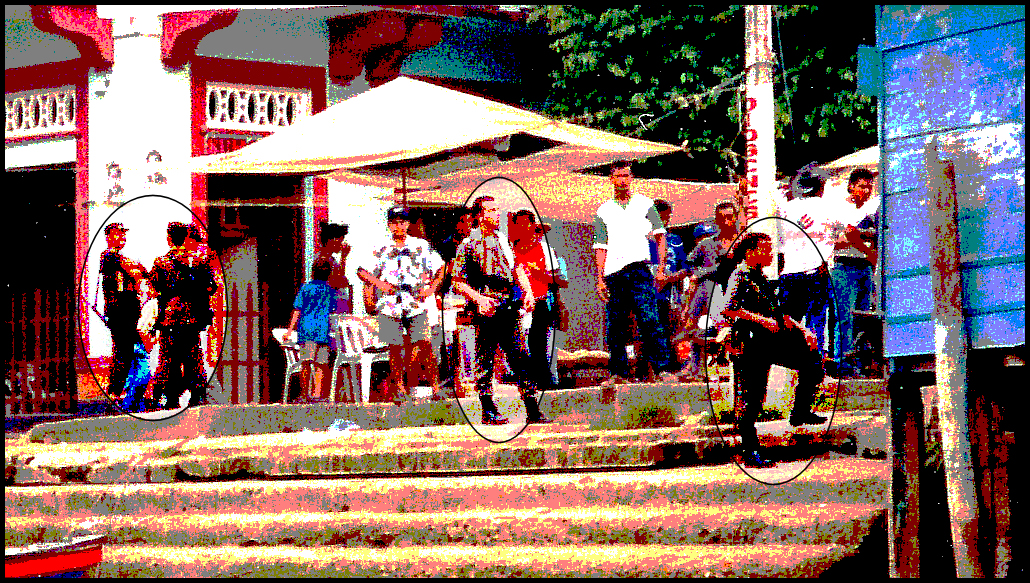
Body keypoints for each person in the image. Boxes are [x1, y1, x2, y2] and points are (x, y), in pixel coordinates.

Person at [722, 231, 827, 468]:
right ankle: (750, 451)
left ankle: (800, 412)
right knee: (751, 398)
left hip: (770, 340)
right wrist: (762, 320)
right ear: (750, 252)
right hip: (748, 342)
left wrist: (802, 330)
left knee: (813, 362)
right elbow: (729, 309)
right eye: (765, 250)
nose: (771, 254)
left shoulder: (761, 277)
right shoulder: (739, 276)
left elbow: (778, 311)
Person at [451, 196, 538, 425]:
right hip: (485, 305)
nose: (496, 214)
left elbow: (516, 268)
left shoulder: (502, 240)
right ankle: (487, 409)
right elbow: (457, 281)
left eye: (497, 210)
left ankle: (532, 407)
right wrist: (478, 298)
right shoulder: (468, 243)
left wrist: (527, 292)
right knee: (485, 358)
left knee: (520, 355)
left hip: (508, 303)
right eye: (491, 211)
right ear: (480, 215)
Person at [593, 160, 678, 386]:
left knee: (650, 319)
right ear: (611, 179)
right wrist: (600, 278)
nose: (622, 180)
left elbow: (661, 237)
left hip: (639, 269)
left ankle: (663, 368)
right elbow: (600, 245)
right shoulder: (603, 210)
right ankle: (618, 373)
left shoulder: (645, 204)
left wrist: (660, 269)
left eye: (626, 176)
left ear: (631, 178)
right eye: (618, 176)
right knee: (616, 326)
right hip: (614, 273)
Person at [357, 207, 443, 404]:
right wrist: (380, 284)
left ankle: (435, 387)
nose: (399, 226)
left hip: (415, 302)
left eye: (402, 222)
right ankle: (400, 389)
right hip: (390, 303)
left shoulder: (420, 245)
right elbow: (362, 271)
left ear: (408, 224)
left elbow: (441, 267)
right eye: (395, 222)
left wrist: (431, 290)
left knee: (424, 343)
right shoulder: (380, 247)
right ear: (389, 224)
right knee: (395, 347)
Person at [779, 165, 836, 364]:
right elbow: (846, 229)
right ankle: (813, 361)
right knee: (816, 318)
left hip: (790, 271)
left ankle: (786, 361)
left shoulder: (788, 207)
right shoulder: (827, 207)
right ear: (820, 185)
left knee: (789, 319)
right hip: (816, 270)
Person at [677, 202, 741, 379]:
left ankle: (730, 367)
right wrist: (696, 275)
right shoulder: (707, 244)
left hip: (732, 290)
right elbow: (688, 263)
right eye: (722, 218)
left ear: (736, 217)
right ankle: (695, 368)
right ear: (717, 221)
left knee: (727, 330)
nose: (727, 221)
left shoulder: (740, 241)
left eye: (730, 217)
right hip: (707, 291)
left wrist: (703, 272)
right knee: (698, 328)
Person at [510, 209, 559, 423]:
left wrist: (535, 272)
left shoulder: (544, 248)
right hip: (518, 302)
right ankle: (527, 380)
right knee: (520, 344)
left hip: (540, 300)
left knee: (538, 341)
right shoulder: (513, 249)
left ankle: (543, 379)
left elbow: (556, 278)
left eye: (525, 223)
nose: (523, 227)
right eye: (518, 223)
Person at [150, 222, 205, 410]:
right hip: (191, 318)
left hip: (170, 317)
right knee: (193, 357)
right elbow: (209, 287)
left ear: (169, 238)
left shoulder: (161, 262)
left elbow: (155, 287)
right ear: (186, 238)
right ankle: (196, 396)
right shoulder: (195, 261)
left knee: (169, 359)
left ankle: (171, 398)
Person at [829, 168, 878, 378]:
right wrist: (862, 242)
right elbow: (839, 240)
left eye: (869, 186)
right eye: (862, 186)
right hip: (843, 266)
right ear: (851, 186)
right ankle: (843, 364)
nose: (866, 191)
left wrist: (859, 237)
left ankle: (859, 363)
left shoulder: (873, 209)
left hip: (865, 267)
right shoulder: (840, 209)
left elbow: (872, 235)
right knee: (844, 317)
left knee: (863, 317)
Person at [99, 223, 147, 400]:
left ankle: (123, 388)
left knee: (129, 350)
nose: (123, 238)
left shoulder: (117, 257)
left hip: (127, 311)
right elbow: (135, 270)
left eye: (124, 234)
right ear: (110, 237)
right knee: (123, 351)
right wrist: (137, 268)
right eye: (119, 234)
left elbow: (140, 271)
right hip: (119, 312)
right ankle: (115, 389)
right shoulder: (109, 255)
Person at [286, 257, 336, 403]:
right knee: (321, 363)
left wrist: (290, 330)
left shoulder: (305, 288)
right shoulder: (329, 291)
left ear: (313, 272)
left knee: (306, 362)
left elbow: (297, 309)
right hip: (322, 330)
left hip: (306, 330)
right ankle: (317, 394)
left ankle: (304, 393)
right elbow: (332, 309)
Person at [648, 199, 690, 370]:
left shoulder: (675, 239)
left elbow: (685, 268)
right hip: (647, 294)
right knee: (648, 331)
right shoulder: (641, 240)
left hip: (670, 295)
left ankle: (669, 368)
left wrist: (669, 279)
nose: (665, 220)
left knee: (670, 331)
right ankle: (648, 369)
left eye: (667, 217)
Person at [184, 224, 218, 406]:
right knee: (196, 354)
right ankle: (198, 393)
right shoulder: (201, 260)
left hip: (192, 317)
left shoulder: (197, 260)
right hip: (196, 317)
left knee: (196, 354)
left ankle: (198, 393)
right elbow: (212, 286)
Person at [317, 222, 352, 315]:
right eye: (340, 240)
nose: (342, 244)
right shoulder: (323, 260)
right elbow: (337, 282)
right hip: (332, 307)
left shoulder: (330, 259)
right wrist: (343, 257)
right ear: (331, 240)